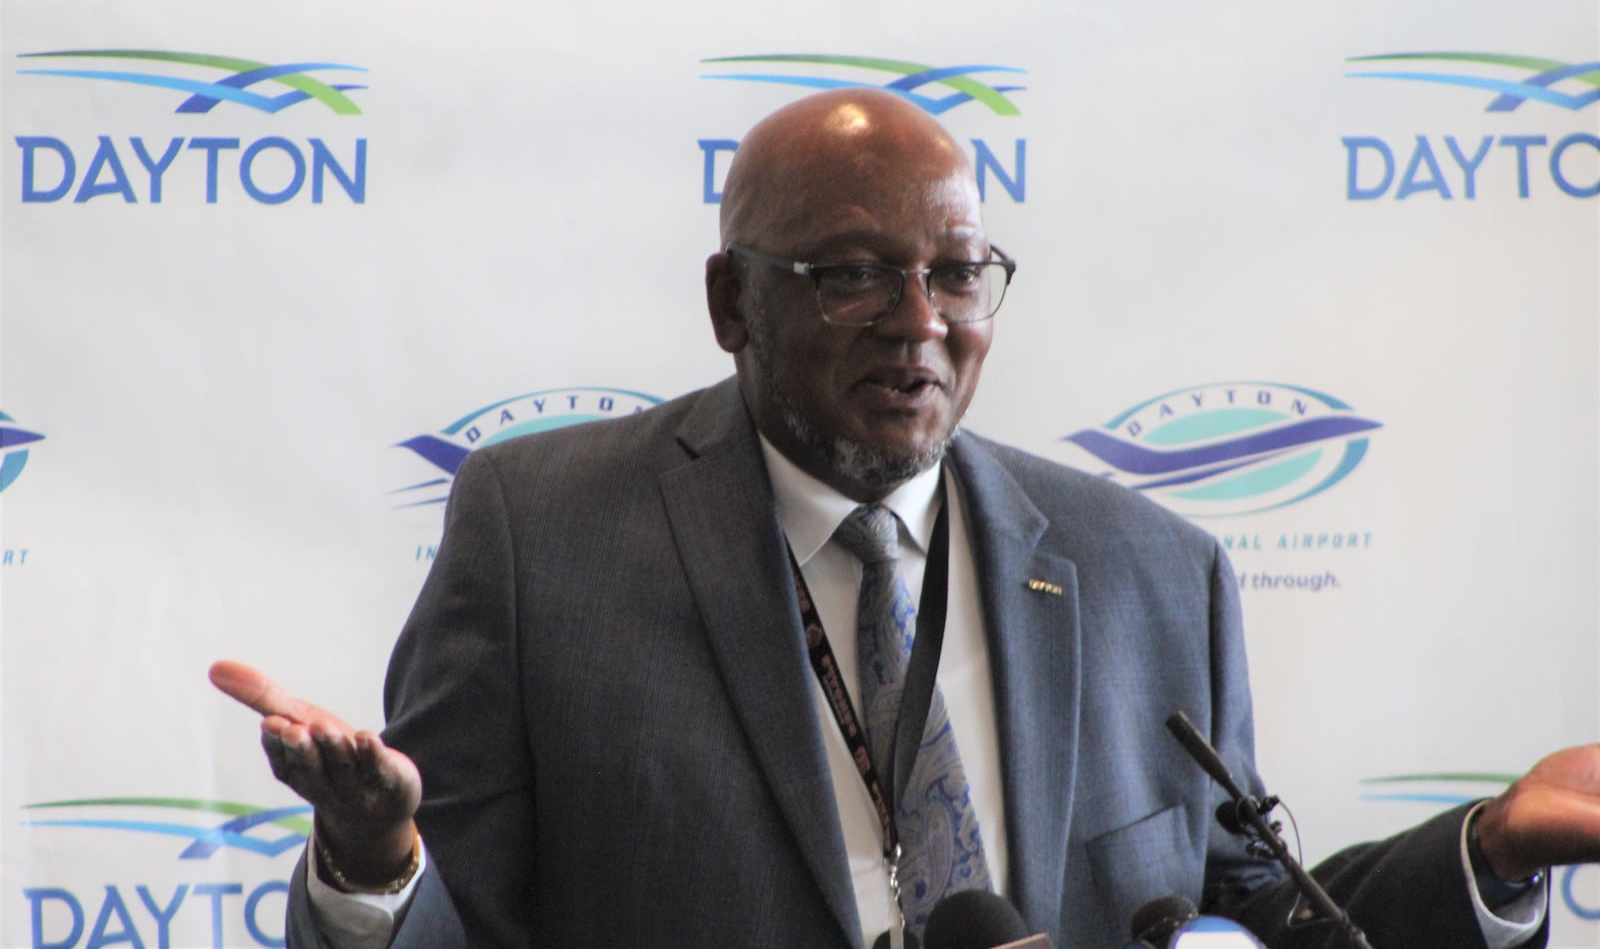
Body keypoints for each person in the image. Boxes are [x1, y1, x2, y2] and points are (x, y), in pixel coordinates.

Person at [212, 88, 1600, 949]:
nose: (923, 323)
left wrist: (1484, 856)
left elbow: (1252, 914)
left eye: (958, 272)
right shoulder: (543, 536)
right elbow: (464, 927)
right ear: (730, 306)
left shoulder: (1149, 571)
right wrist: (374, 860)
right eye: (855, 276)